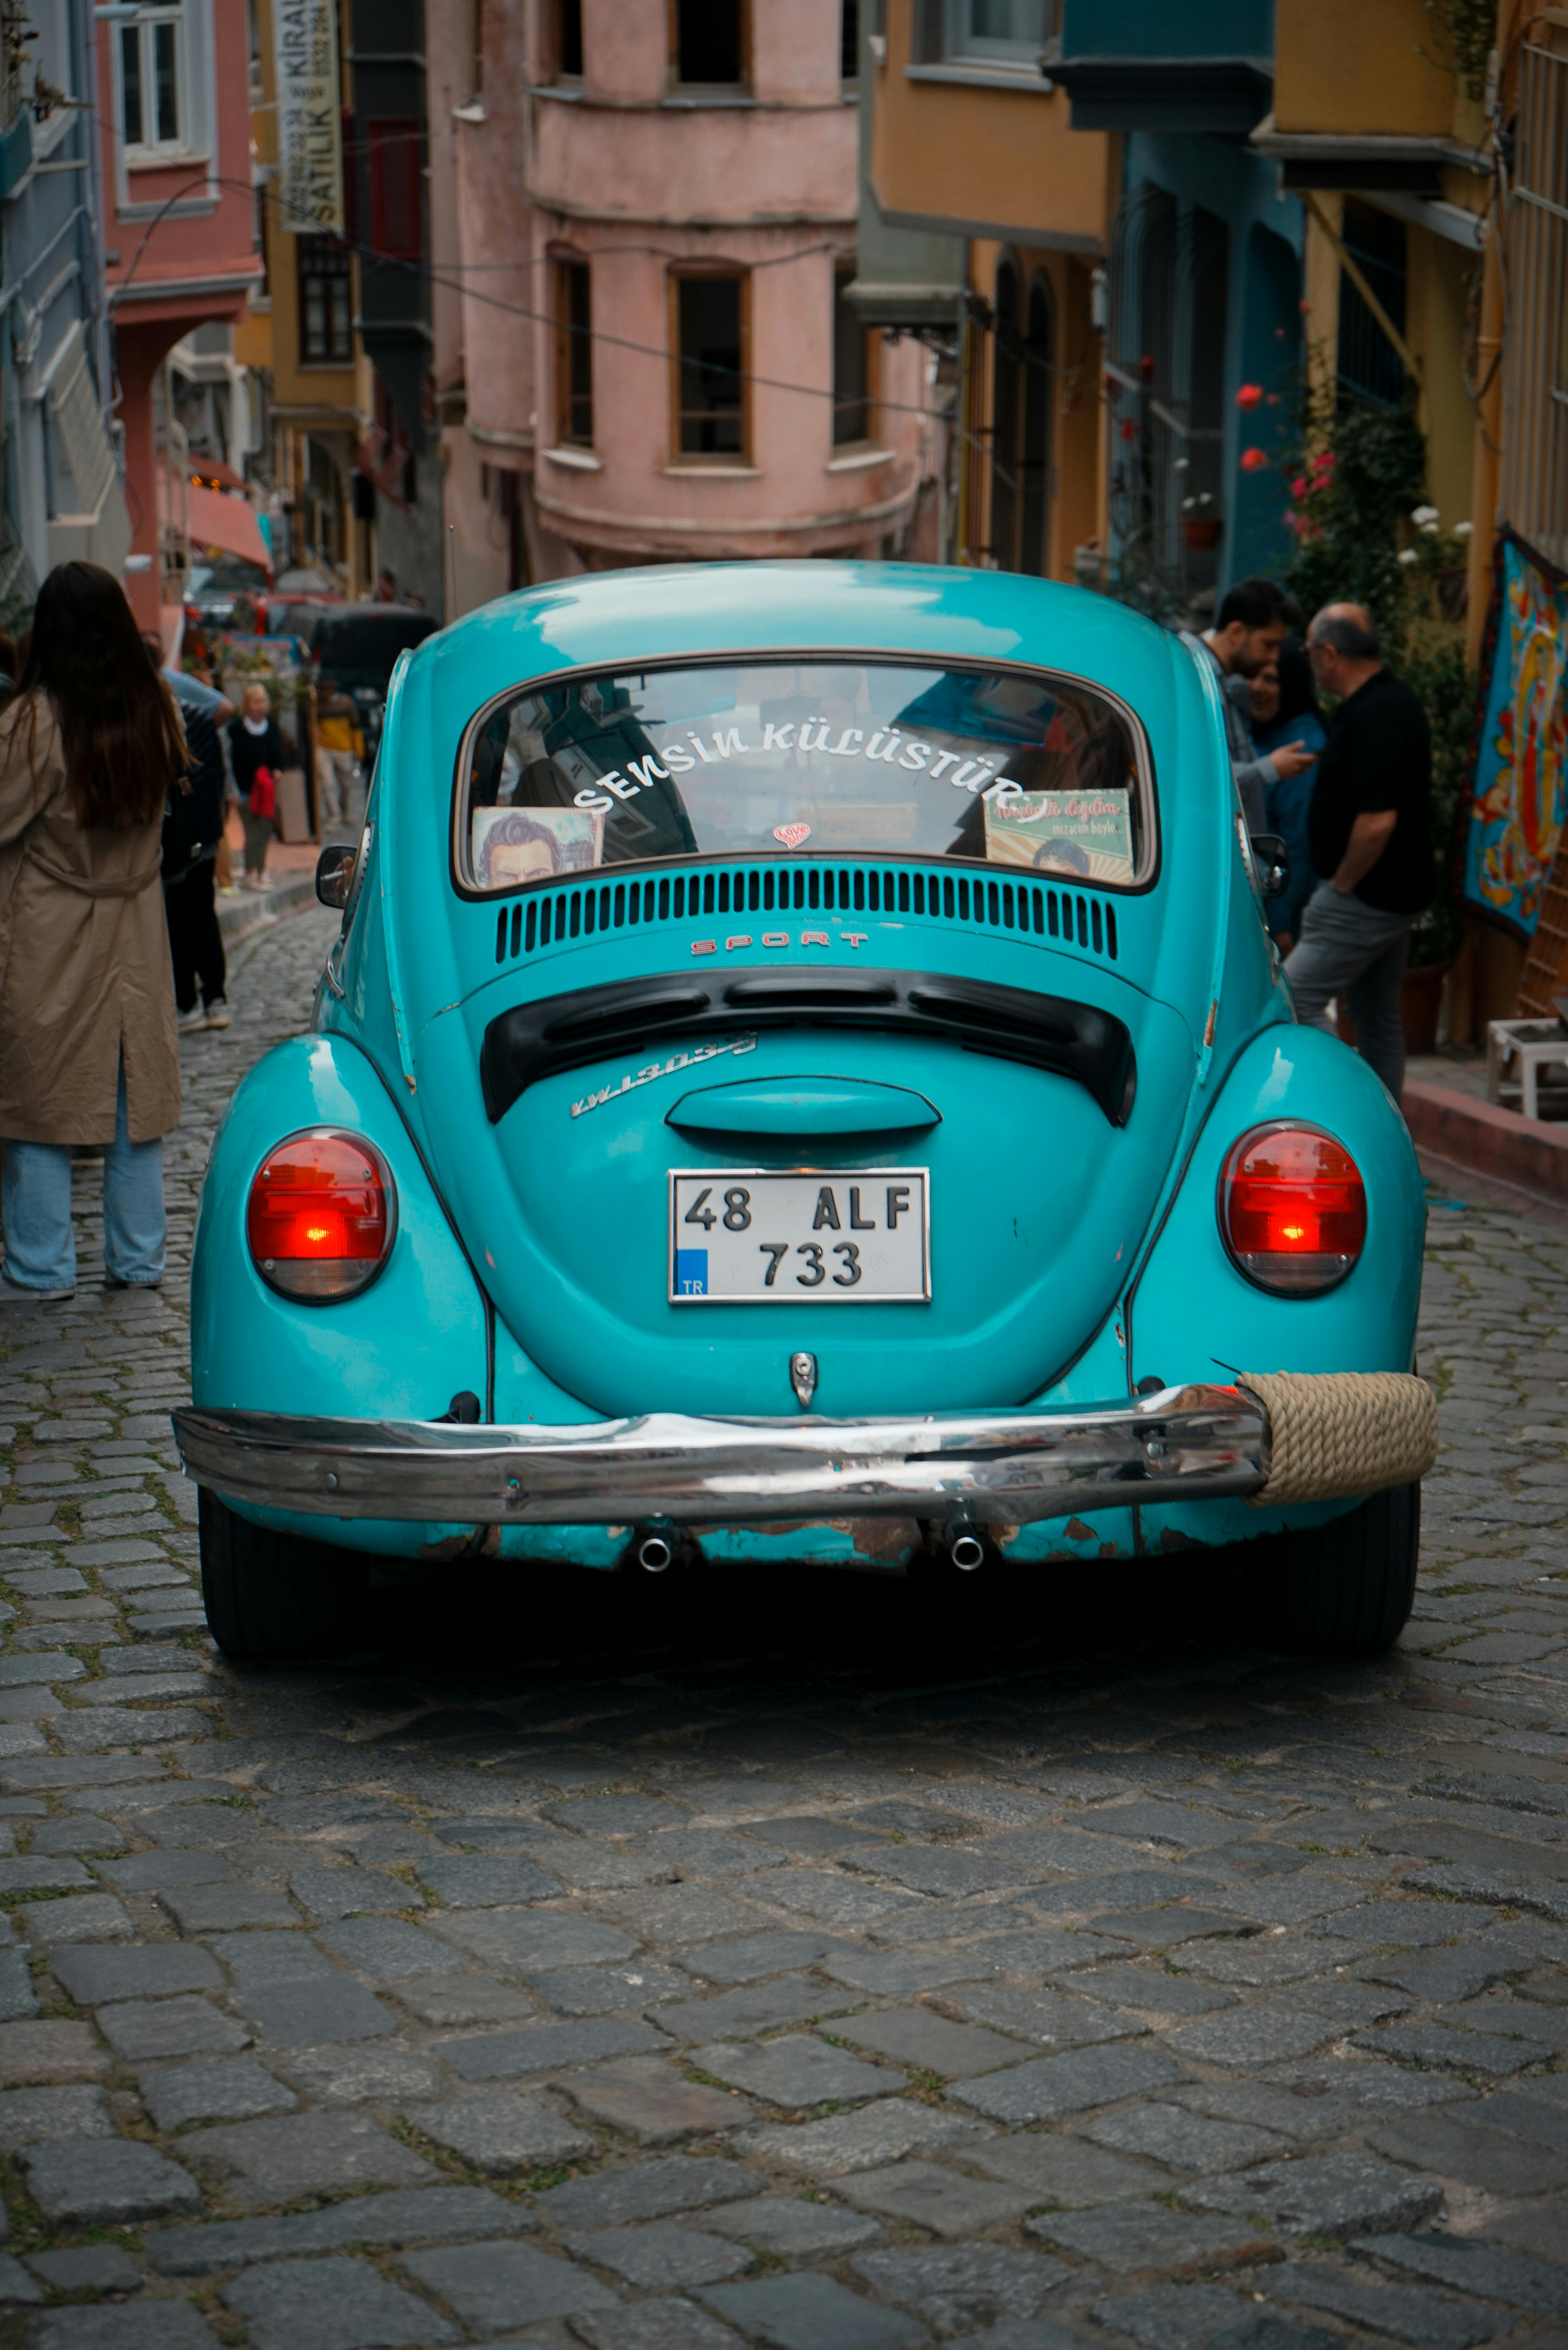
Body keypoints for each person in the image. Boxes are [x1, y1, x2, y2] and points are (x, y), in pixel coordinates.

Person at [0, 563, 183, 1301]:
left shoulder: (34, 720)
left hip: (53, 920)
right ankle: (138, 1259)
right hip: (137, 920)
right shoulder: (154, 705)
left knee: (38, 1099)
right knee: (132, 1099)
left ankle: (40, 1267)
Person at [1284, 603, 1434, 1103]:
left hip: (1364, 896)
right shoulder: (1389, 700)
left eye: (1310, 653)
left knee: (1290, 999)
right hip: (1391, 894)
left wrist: (1341, 888)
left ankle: (1349, 1107)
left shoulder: (1376, 711)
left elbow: (1377, 820)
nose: (1310, 663)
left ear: (1329, 654)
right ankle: (1387, 1129)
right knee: (1377, 1018)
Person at [141, 633, 229, 1034]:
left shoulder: (149, 713)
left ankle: (189, 1003)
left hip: (174, 836)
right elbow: (212, 776)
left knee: (179, 918)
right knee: (203, 912)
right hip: (202, 830)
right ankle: (216, 998)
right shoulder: (195, 712)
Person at [1183, 577, 1318, 833]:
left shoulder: (1218, 680)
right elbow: (1198, 777)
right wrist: (1269, 769)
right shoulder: (1195, 679)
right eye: (1269, 645)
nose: (1274, 657)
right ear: (1236, 633)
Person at [1251, 637, 1327, 954]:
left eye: (1270, 679)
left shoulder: (1304, 747)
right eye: (1253, 675)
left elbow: (1296, 846)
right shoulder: (1262, 730)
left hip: (1285, 913)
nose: (1256, 687)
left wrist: (1280, 927)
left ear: (1293, 685)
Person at [226, 682, 286, 890]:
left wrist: (277, 770)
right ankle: (250, 872)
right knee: (252, 832)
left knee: (264, 830)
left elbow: (278, 754)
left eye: (262, 702)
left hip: (267, 789)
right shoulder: (236, 729)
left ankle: (260, 871)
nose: (259, 707)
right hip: (246, 789)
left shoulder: (272, 726)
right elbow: (231, 759)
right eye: (255, 702)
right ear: (247, 705)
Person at [313, 674, 364, 832]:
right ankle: (334, 817)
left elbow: (356, 727)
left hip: (344, 748)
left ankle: (345, 810)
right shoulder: (316, 705)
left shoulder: (346, 703)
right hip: (324, 748)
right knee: (328, 784)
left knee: (346, 785)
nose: (323, 693)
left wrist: (359, 749)